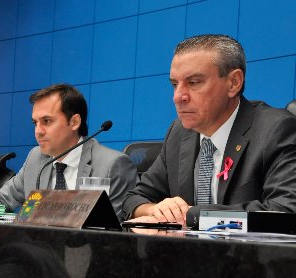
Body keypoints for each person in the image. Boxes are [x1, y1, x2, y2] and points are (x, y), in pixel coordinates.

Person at [122, 34, 296, 227]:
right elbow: (133, 199)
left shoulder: (276, 129)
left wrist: (192, 215)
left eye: (194, 82)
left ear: (233, 83)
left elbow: (284, 212)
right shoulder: (179, 133)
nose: (178, 97)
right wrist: (156, 209)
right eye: (174, 84)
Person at [0, 84, 136, 219]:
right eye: (35, 123)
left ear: (74, 122)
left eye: (47, 121)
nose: (38, 131)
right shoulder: (36, 157)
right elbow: (3, 198)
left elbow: (118, 229)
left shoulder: (112, 165)